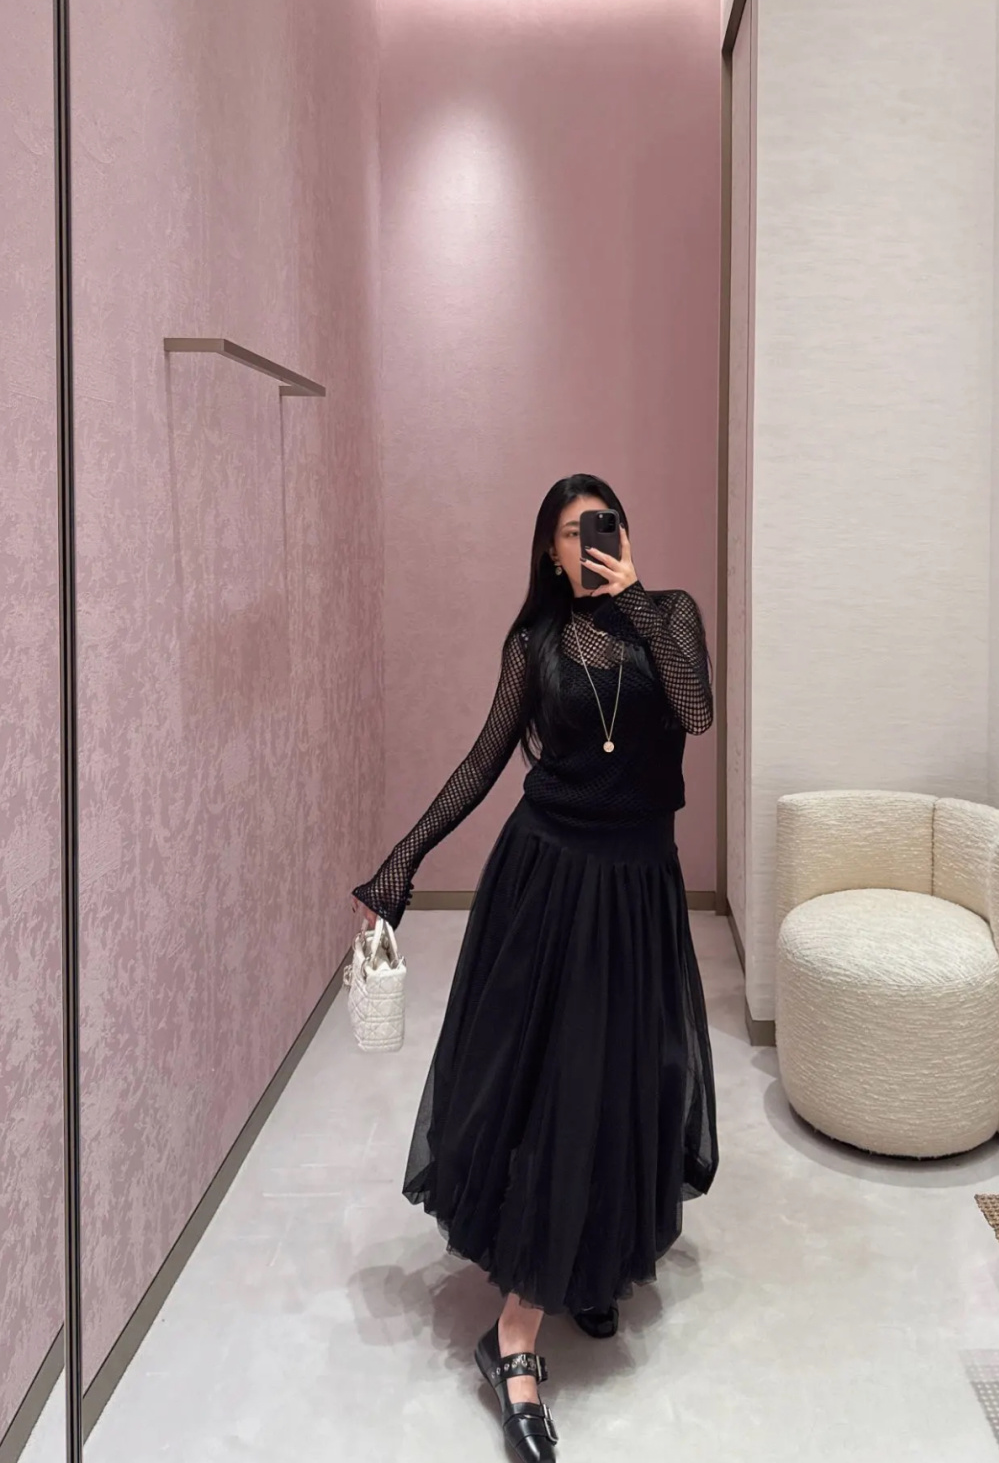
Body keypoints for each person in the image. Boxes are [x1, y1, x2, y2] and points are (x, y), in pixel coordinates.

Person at [352, 474, 719, 1462]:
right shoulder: (535, 645)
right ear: (548, 553)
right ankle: (513, 1336)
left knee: (634, 1074)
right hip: (550, 877)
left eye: (604, 524)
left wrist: (636, 601)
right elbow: (483, 762)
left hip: (637, 884)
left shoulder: (671, 615)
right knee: (559, 1084)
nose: (589, 541)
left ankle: (592, 1260)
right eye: (569, 531)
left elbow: (695, 712)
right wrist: (401, 863)